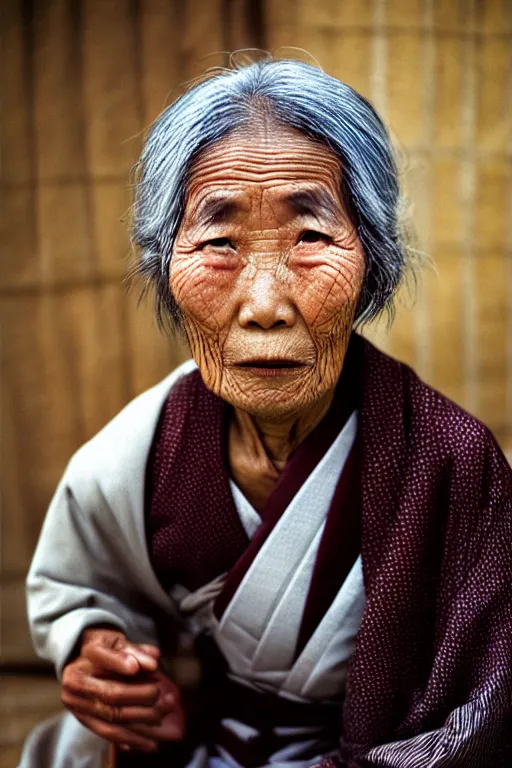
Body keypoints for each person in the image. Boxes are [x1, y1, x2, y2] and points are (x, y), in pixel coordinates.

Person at [22, 58, 512, 768]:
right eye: (218, 244)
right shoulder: (144, 449)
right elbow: (83, 587)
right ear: (166, 266)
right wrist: (98, 653)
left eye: (311, 239)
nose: (264, 305)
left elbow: (488, 709)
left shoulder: (452, 463)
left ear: (371, 262)